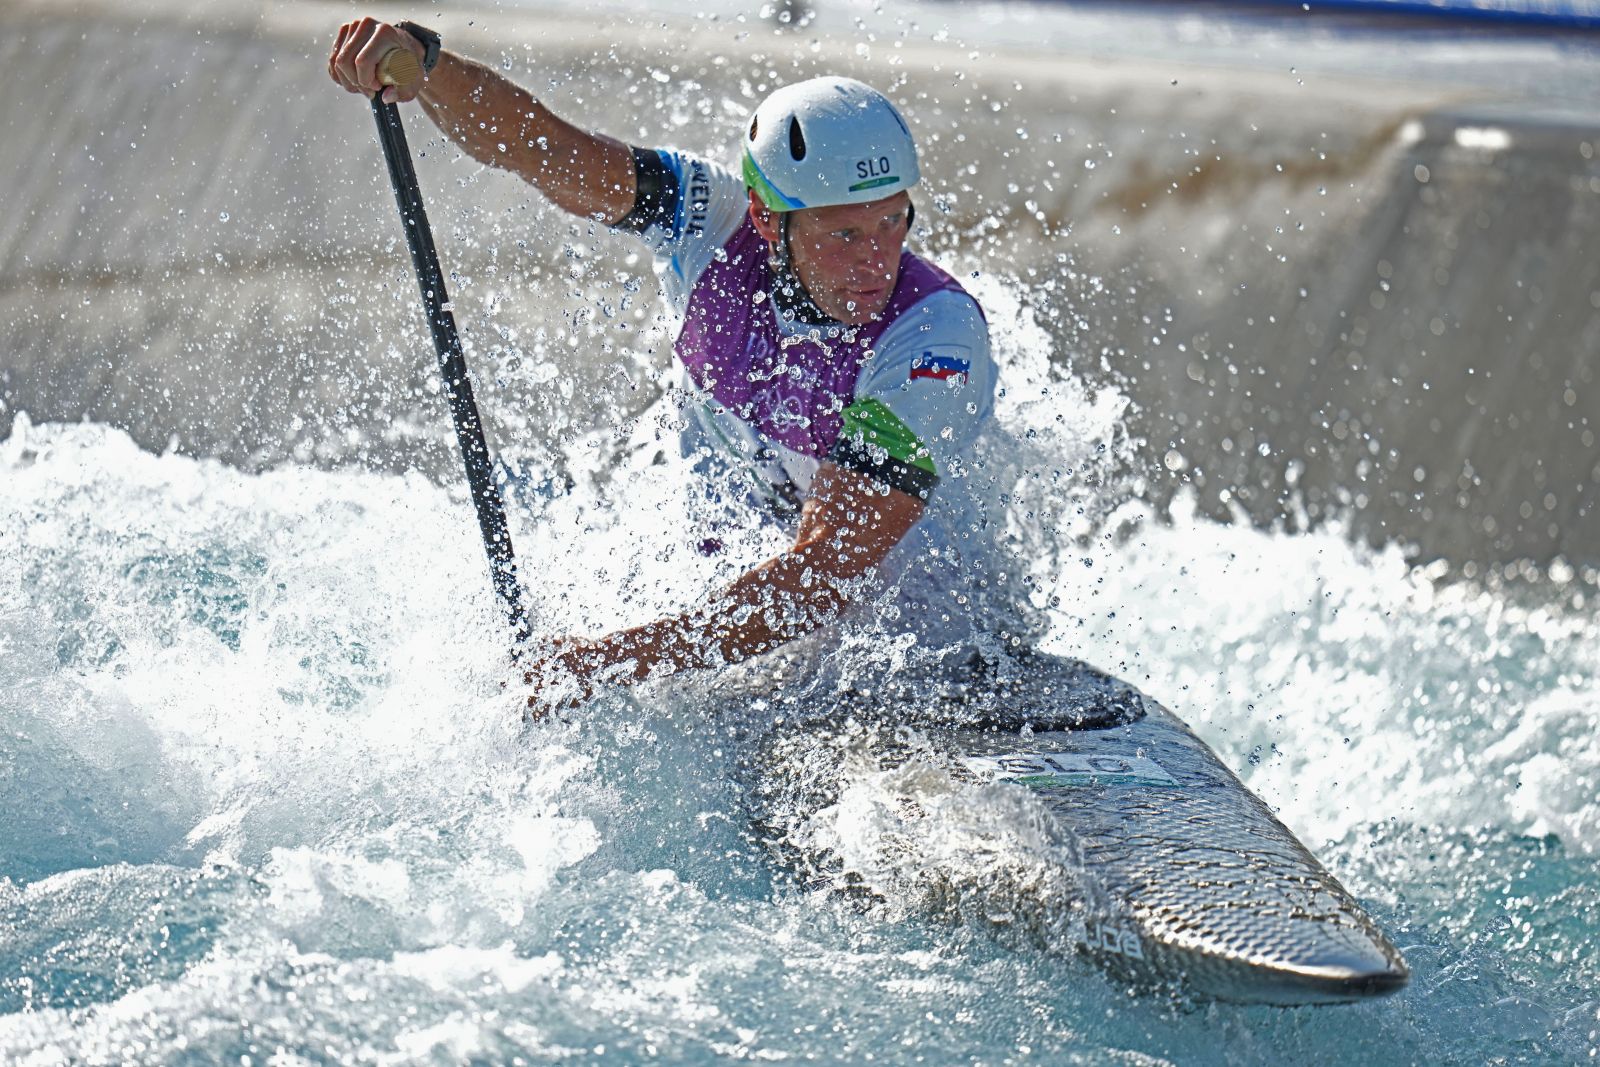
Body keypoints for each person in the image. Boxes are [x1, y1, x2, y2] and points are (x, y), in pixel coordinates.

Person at [327, 18, 1001, 715]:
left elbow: (825, 574)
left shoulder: (935, 339)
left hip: (924, 667)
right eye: (845, 234)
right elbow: (544, 149)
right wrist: (429, 69)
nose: (876, 260)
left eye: (893, 222)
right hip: (743, 634)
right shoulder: (709, 220)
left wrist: (605, 663)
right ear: (767, 220)